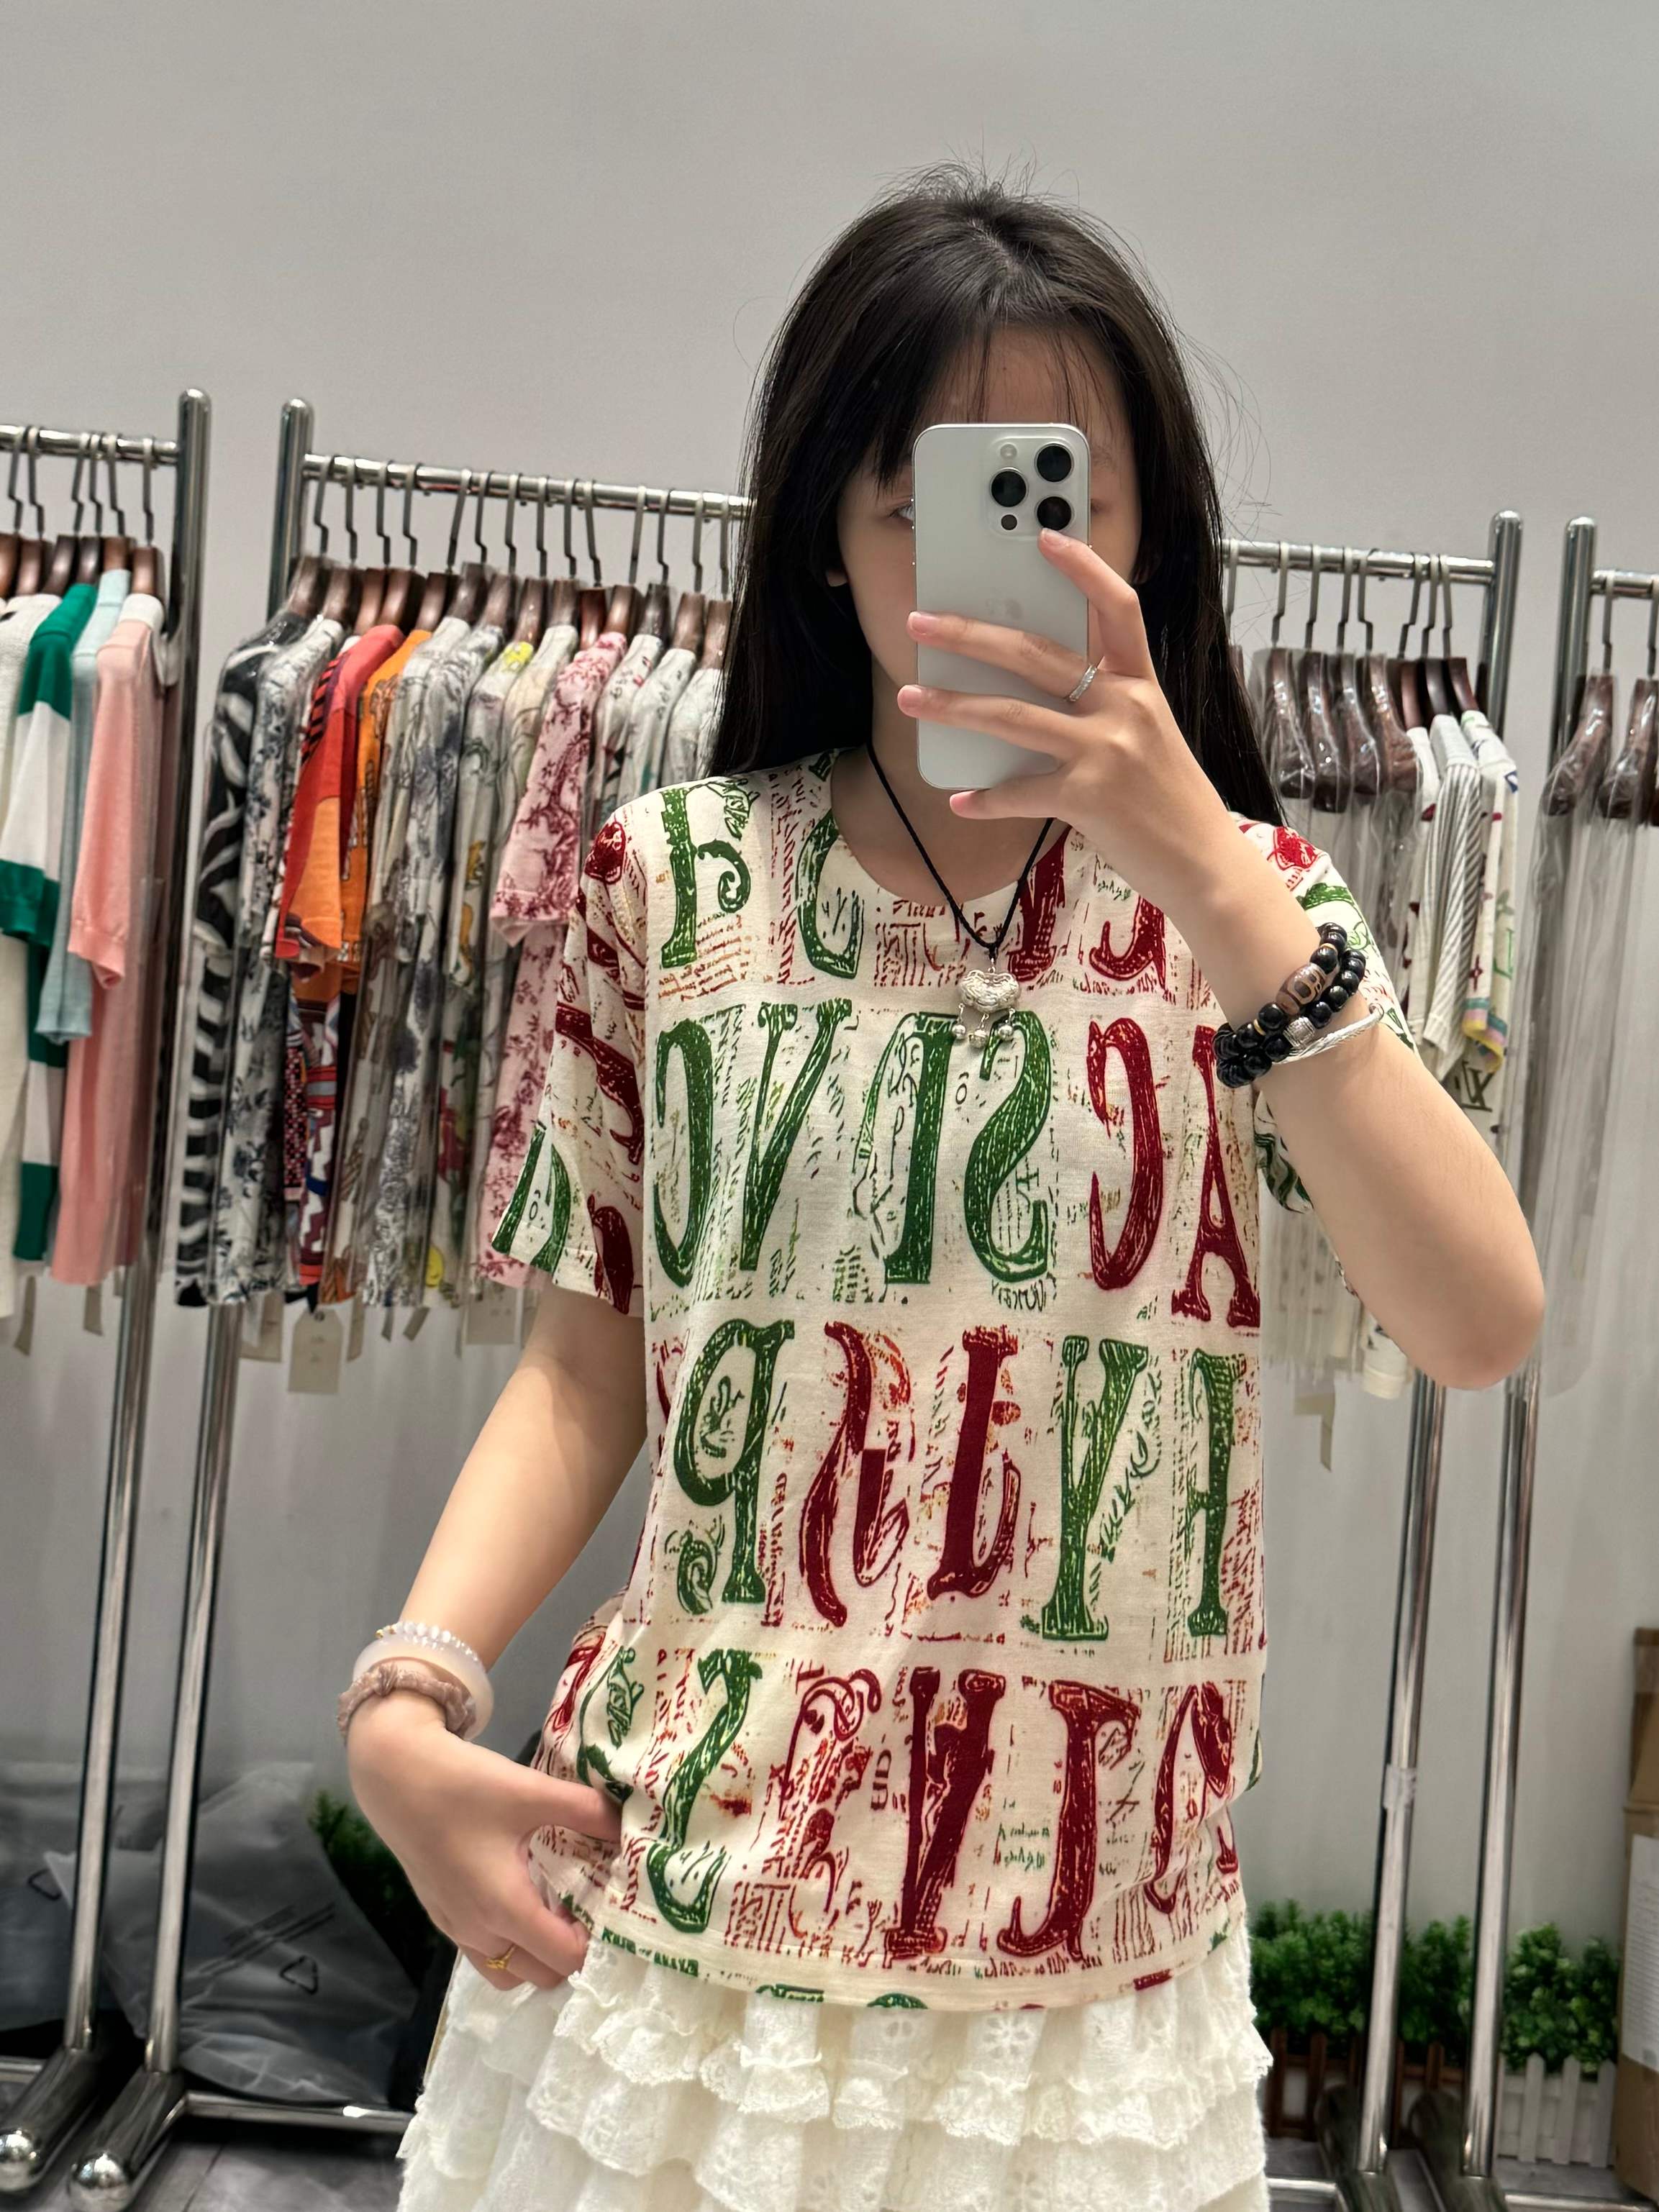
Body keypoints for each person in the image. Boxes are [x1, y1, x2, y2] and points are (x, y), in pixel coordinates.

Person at [345, 158, 1544, 2212]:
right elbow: (582, 1368)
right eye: (923, 493)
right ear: (829, 528)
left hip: (1085, 1957)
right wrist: (410, 1686)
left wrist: (1207, 871)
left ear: (1147, 530)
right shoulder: (670, 885)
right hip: (696, 1915)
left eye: (1053, 490)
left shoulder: (1261, 913)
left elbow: (1477, 1319)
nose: (985, 552)